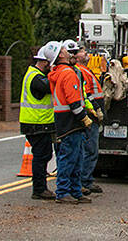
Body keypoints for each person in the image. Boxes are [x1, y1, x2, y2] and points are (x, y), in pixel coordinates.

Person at [48, 41, 91, 204]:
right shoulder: (67, 73)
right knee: (69, 158)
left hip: (65, 121)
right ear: (60, 55)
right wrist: (83, 118)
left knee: (76, 157)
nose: (69, 53)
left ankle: (74, 190)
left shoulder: (59, 72)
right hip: (70, 122)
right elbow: (73, 100)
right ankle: (64, 191)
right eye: (66, 50)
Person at [19, 43, 57, 200]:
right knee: (41, 156)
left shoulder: (33, 74)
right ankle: (39, 189)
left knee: (43, 155)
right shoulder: (36, 78)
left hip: (37, 123)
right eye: (50, 64)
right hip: (36, 124)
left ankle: (40, 188)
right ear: (45, 63)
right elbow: (51, 87)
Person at [72, 42, 105, 197]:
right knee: (89, 149)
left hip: (91, 115)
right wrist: (95, 109)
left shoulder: (85, 70)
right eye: (81, 51)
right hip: (89, 115)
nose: (85, 53)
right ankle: (84, 181)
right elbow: (86, 94)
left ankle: (86, 180)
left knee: (91, 150)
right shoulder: (80, 71)